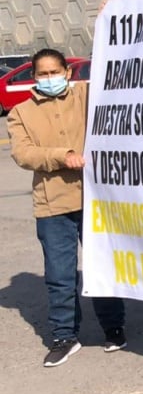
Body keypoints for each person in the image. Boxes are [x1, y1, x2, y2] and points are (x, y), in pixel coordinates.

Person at [7, 48, 127, 367]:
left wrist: (109, 16)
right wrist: (62, 156)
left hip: (96, 199)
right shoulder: (21, 113)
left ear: (68, 72)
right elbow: (23, 153)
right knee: (60, 275)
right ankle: (64, 336)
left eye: (54, 72)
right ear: (33, 77)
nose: (49, 79)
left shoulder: (88, 95)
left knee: (102, 267)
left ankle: (114, 328)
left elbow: (118, 65)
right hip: (53, 205)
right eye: (42, 74)